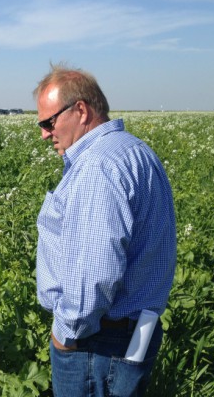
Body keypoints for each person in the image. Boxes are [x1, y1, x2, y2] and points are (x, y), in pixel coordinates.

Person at [33, 64, 177, 397]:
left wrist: (65, 334)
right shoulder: (135, 150)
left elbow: (95, 275)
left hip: (96, 345)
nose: (43, 133)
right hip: (134, 332)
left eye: (48, 122)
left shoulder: (99, 165)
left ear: (80, 110)